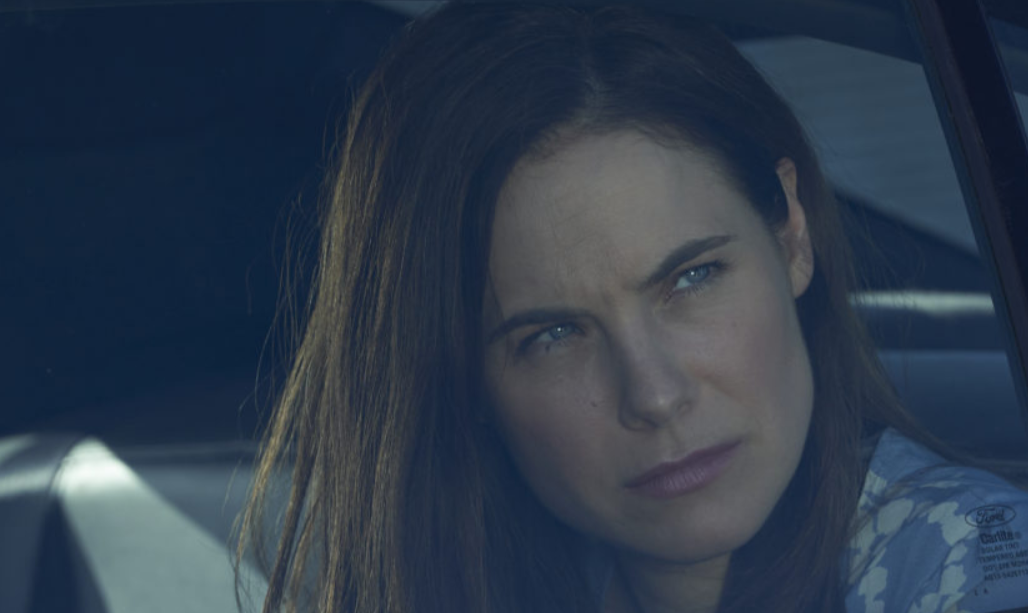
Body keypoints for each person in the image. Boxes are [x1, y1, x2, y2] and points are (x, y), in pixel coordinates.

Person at [237, 3, 1028, 612]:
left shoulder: (971, 563)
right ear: (463, 377)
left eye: (692, 277)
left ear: (791, 233)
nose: (653, 393)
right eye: (553, 333)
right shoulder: (477, 579)